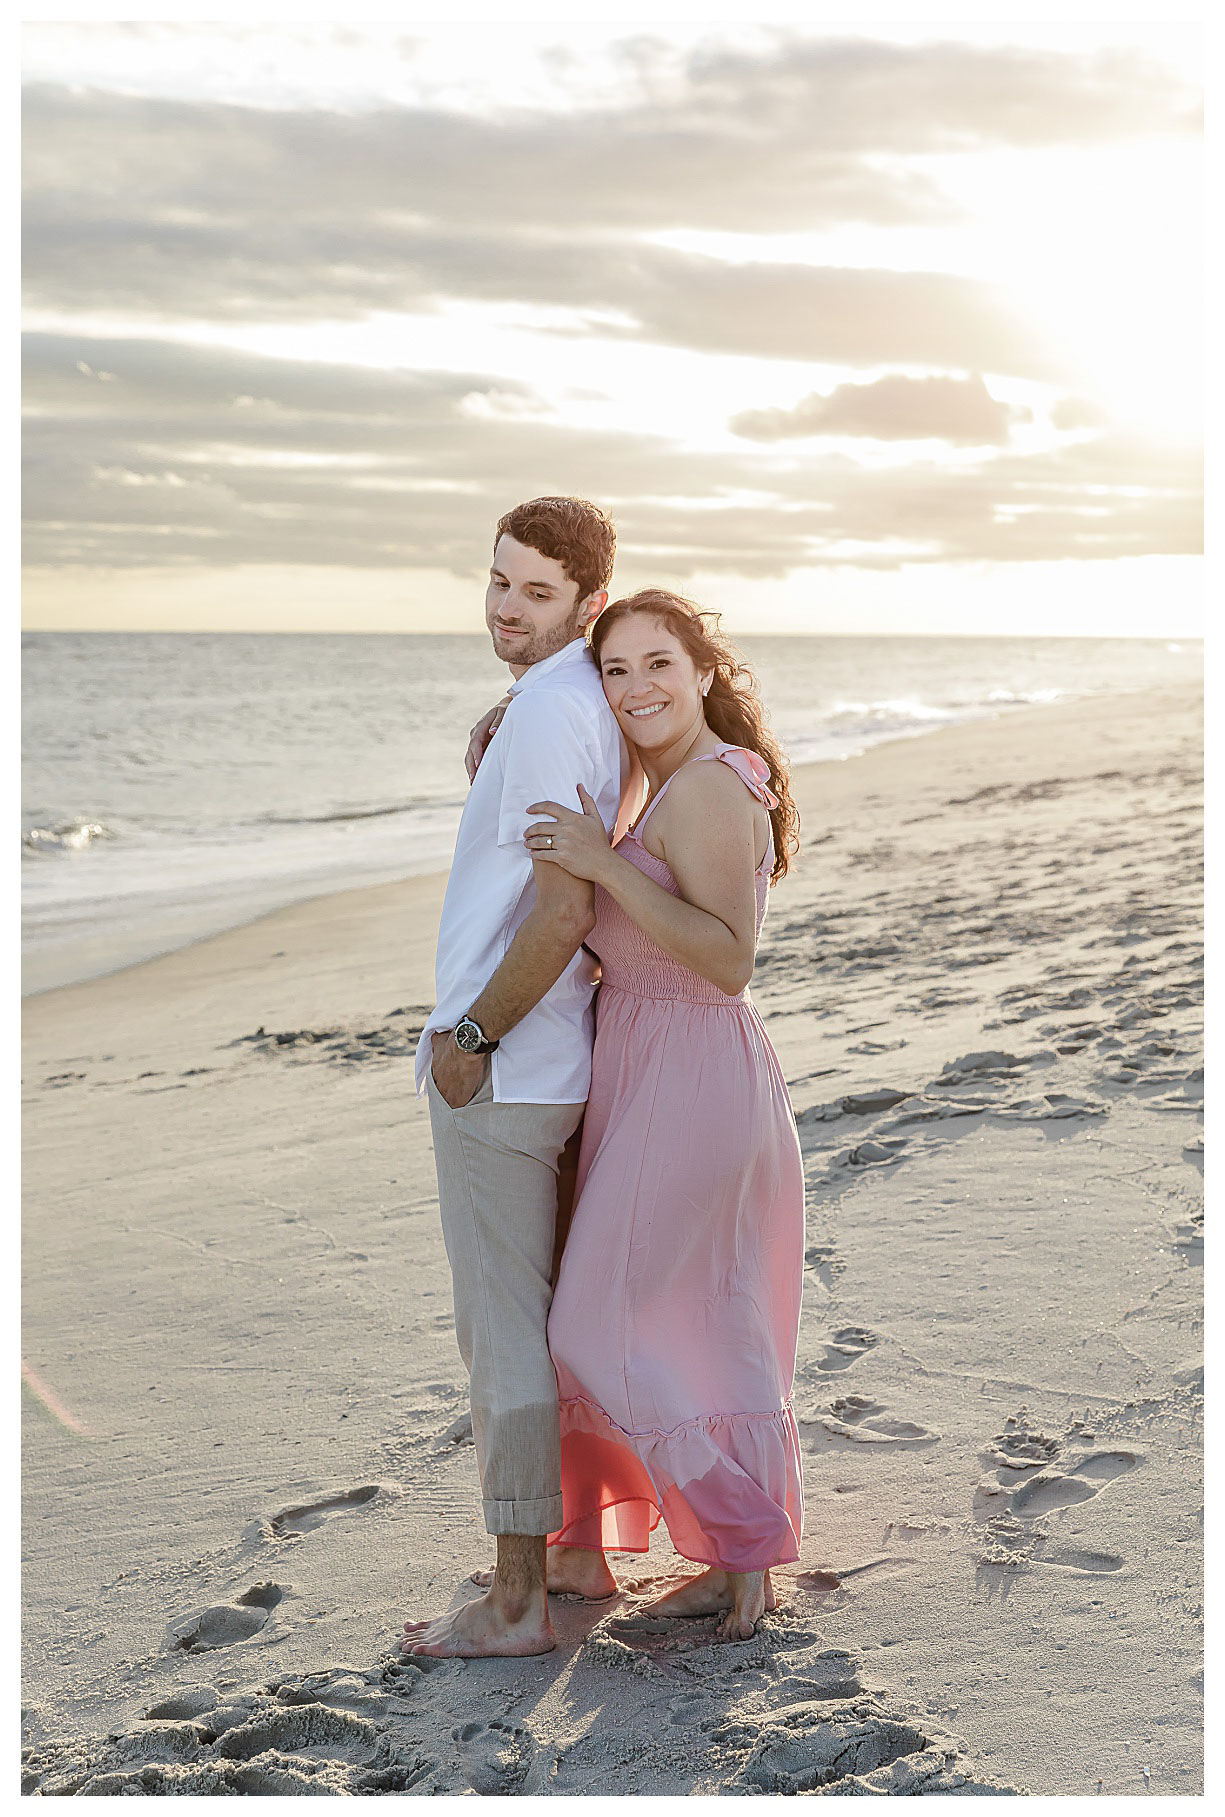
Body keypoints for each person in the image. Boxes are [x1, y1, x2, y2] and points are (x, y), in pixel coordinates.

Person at [515, 588, 806, 1642]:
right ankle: (729, 1567)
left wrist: (600, 866)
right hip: (645, 1062)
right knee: (703, 1311)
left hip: (691, 1066)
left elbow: (728, 962)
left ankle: (742, 1527)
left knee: (595, 1317)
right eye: (615, 670)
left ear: (704, 671)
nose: (636, 687)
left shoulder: (711, 790)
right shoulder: (669, 784)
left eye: (658, 664)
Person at [401, 497, 629, 1660]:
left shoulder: (550, 710)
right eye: (497, 581)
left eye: (536, 592)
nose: (504, 606)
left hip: (510, 1063)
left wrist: (470, 1038)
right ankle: (575, 1554)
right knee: (554, 1320)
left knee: (503, 1335)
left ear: (588, 603)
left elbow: (560, 906)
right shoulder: (583, 697)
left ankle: (514, 1599)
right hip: (562, 1055)